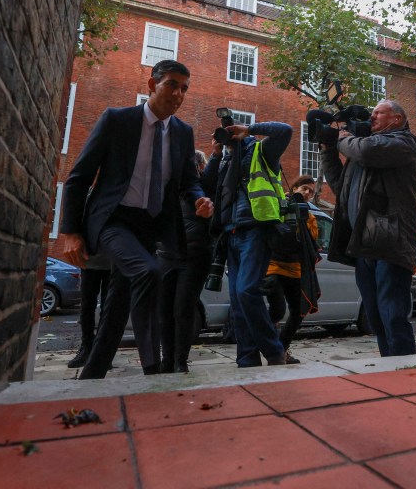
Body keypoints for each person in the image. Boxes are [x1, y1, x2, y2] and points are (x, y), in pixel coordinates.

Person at [57, 59, 213, 379]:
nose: (178, 94)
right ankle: (152, 366)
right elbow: (79, 176)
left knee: (118, 301)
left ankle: (94, 371)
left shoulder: (182, 132)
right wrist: (71, 232)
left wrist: (199, 197)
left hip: (150, 225)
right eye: (171, 84)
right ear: (152, 85)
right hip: (112, 219)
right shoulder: (118, 120)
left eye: (184, 88)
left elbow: (187, 180)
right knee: (148, 271)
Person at [321, 100, 416, 357]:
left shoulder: (403, 143)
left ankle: (404, 368)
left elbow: (366, 151)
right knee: (375, 315)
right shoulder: (366, 150)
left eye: (379, 113)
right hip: (365, 243)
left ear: (397, 119)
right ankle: (388, 366)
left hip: (391, 240)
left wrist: (342, 136)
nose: (372, 117)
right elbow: (341, 188)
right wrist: (327, 150)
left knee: (392, 312)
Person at [213, 120, 295, 367]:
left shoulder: (261, 150)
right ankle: (247, 359)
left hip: (256, 229)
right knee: (238, 302)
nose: (228, 141)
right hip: (232, 234)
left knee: (247, 290)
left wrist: (248, 129)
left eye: (230, 136)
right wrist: (217, 155)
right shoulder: (226, 161)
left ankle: (274, 351)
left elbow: (286, 130)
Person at [157, 148, 216, 373]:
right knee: (164, 310)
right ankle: (167, 360)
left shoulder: (204, 189)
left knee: (183, 309)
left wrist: (218, 152)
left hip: (195, 256)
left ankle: (180, 361)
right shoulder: (167, 189)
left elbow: (212, 170)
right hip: (166, 255)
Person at [265, 175, 320, 356]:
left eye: (311, 192)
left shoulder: (309, 216)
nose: (307, 193)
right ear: (294, 187)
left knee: (299, 311)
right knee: (277, 309)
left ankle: (281, 348)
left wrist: (302, 219)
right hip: (274, 266)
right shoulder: (280, 205)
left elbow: (311, 241)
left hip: (295, 269)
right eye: (304, 188)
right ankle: (266, 343)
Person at [67, 253, 111, 368]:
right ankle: (86, 348)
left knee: (109, 308)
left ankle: (102, 351)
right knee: (87, 306)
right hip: (89, 259)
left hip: (114, 260)